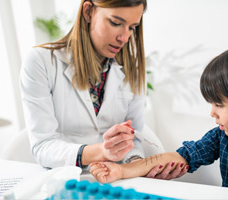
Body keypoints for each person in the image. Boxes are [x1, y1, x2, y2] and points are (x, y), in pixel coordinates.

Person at [90, 44, 228, 194]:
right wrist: (120, 170)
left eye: (219, 105)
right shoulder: (223, 136)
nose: (212, 113)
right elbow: (182, 156)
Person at [20, 0, 149, 169]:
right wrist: (101, 152)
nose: (124, 38)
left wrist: (136, 163)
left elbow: (134, 138)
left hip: (115, 179)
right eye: (116, 23)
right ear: (88, 11)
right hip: (64, 179)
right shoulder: (41, 62)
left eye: (132, 28)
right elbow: (43, 146)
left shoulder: (134, 69)